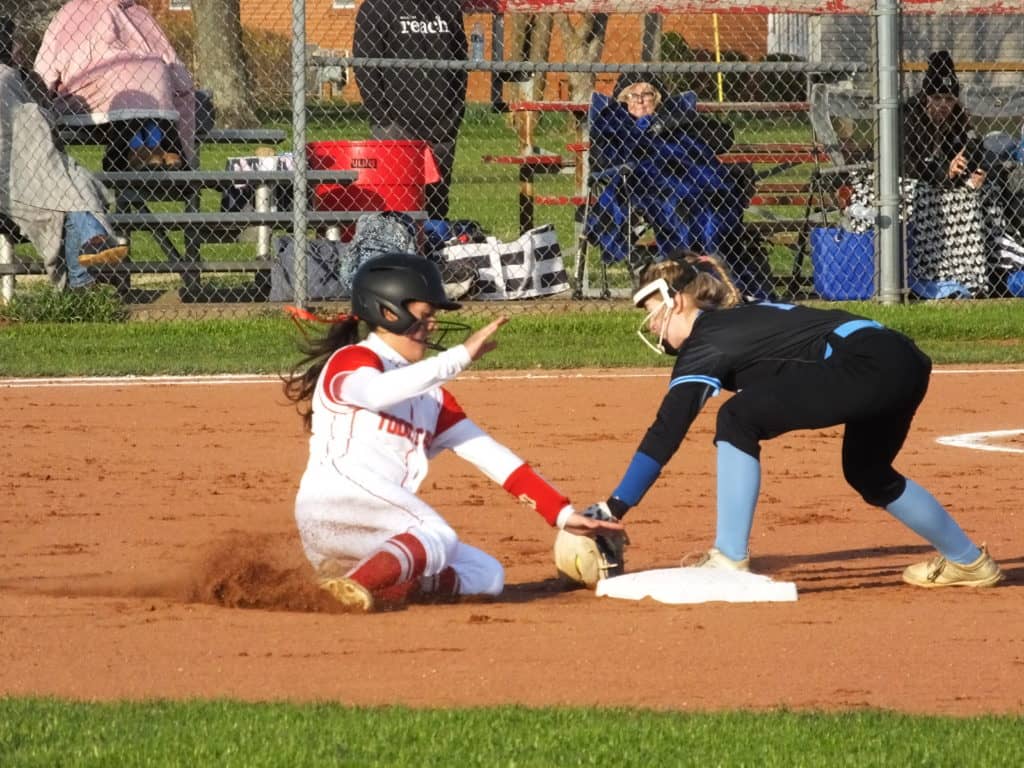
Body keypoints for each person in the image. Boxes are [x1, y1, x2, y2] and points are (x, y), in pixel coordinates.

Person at [585, 251, 1002, 588]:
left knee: (737, 418)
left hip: (866, 361)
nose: (651, 325)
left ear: (676, 300)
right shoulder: (738, 318)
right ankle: (968, 562)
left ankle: (728, 557)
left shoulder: (707, 340)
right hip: (900, 358)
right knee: (868, 472)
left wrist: (613, 507)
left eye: (652, 310)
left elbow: (667, 429)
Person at [282, 252, 623, 612]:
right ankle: (348, 589)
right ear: (388, 312)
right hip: (336, 499)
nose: (432, 325)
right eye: (425, 314)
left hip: (376, 524)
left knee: (485, 574)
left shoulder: (433, 400)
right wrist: (458, 357)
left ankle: (366, 582)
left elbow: (490, 455)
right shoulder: (353, 360)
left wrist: (562, 514)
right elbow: (377, 393)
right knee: (435, 534)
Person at [584, 73, 774, 300]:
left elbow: (722, 137)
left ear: (657, 98)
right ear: (623, 99)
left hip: (696, 178)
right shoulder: (613, 121)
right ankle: (689, 274)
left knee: (714, 202)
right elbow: (602, 159)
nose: (641, 100)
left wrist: (677, 123)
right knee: (677, 204)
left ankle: (721, 278)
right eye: (633, 95)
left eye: (647, 94)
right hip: (648, 182)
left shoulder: (675, 116)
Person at [0, 17, 126, 291]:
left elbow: (41, 113)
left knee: (67, 190)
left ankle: (89, 255)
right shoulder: (6, 77)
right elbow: (39, 117)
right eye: (12, 40)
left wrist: (27, 78)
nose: (17, 45)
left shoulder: (21, 76)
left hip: (37, 166)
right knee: (73, 187)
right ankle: (91, 250)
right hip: (15, 175)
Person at [33, 0, 196, 171]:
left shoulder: (71, 13)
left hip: (98, 101)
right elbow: (176, 69)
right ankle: (149, 148)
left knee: (136, 89)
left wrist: (42, 95)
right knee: (144, 87)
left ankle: (143, 149)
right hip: (134, 102)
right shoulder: (139, 14)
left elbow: (44, 71)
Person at [353, 0, 467, 221]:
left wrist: (454, 112)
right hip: (396, 126)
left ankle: (433, 240)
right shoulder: (377, 7)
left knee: (436, 207)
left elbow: (461, 62)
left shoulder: (448, 6)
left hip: (442, 125)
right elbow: (365, 66)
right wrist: (383, 117)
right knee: (396, 206)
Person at [900, 50, 992, 298]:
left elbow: (972, 153)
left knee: (987, 195)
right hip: (917, 188)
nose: (943, 105)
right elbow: (908, 165)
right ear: (926, 97)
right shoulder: (909, 118)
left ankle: (975, 274)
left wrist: (973, 174)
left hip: (949, 191)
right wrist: (945, 171)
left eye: (949, 99)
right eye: (937, 98)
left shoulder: (958, 120)